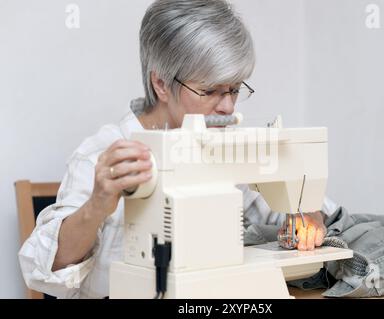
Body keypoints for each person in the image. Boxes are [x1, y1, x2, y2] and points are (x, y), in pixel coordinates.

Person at [18, 0, 337, 299]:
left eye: (235, 89)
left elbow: (295, 207)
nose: (227, 107)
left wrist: (307, 218)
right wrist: (98, 204)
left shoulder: (224, 142)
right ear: (161, 84)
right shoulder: (104, 153)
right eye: (210, 90)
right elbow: (45, 270)